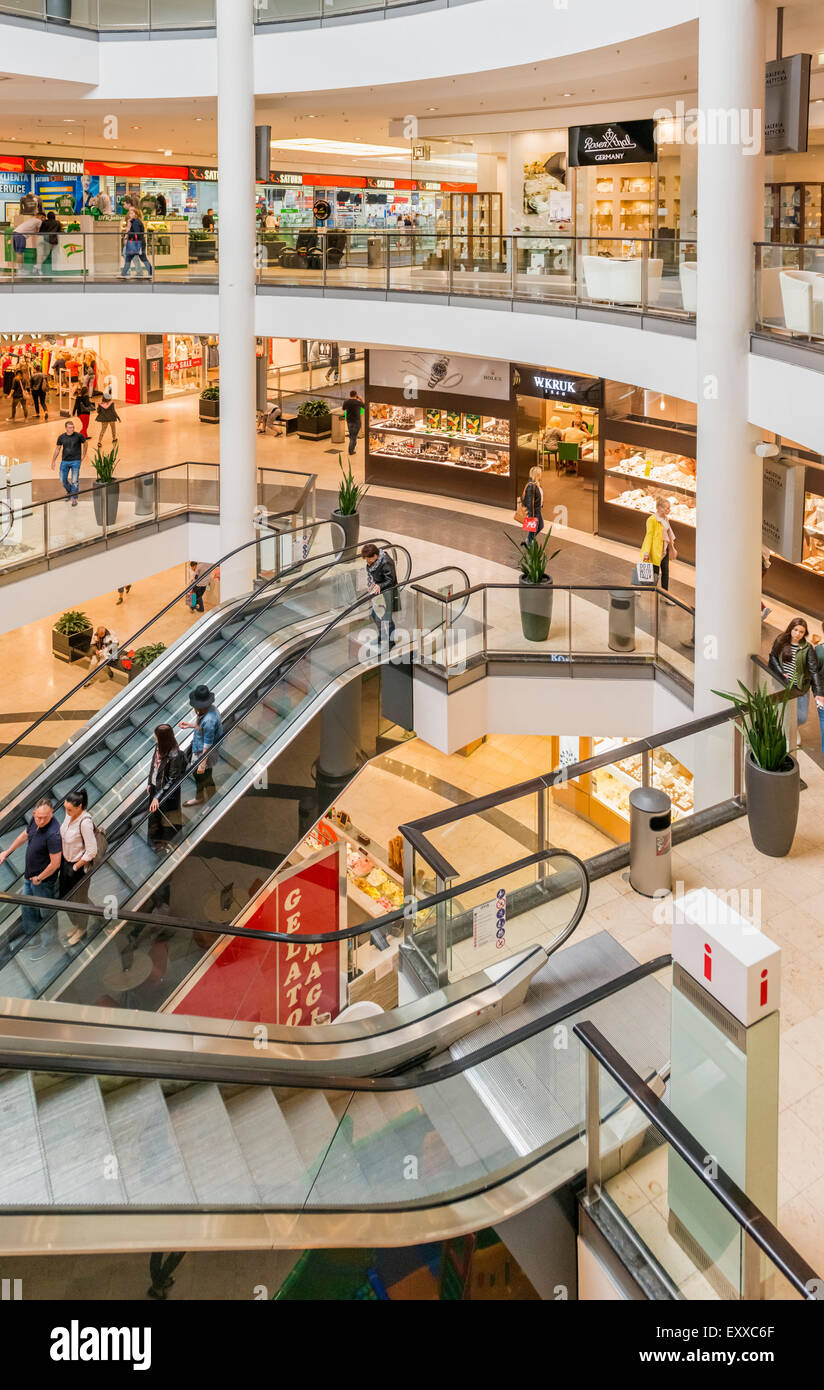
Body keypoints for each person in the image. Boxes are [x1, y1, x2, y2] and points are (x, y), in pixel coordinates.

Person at [0, 797, 62, 958]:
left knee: (46, 912)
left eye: (45, 817)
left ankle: (49, 943)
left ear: (52, 813)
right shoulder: (35, 822)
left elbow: (55, 864)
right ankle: (33, 937)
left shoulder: (54, 834)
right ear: (34, 813)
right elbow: (24, 835)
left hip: (43, 881)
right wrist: (6, 852)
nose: (41, 821)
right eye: (38, 817)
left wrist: (40, 878)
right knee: (26, 907)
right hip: (30, 876)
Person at [768, 618, 824, 737]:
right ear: (791, 629)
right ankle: (786, 732)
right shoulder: (781, 641)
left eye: (801, 632)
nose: (797, 634)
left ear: (805, 634)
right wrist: (781, 672)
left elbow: (814, 671)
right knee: (782, 711)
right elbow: (773, 656)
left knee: (802, 717)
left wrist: (818, 692)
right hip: (782, 684)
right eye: (795, 630)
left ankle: (793, 727)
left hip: (800, 686)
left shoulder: (807, 648)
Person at [59, 789, 98, 948]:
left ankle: (82, 929)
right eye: (65, 808)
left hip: (78, 868)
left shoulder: (85, 822)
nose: (66, 812)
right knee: (66, 898)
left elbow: (92, 851)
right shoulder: (69, 815)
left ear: (79, 806)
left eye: (69, 809)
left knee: (79, 900)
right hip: (66, 863)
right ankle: (76, 924)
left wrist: (75, 866)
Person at [146, 724, 188, 852]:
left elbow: (172, 780)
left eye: (156, 735)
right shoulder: (159, 746)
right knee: (154, 816)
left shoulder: (174, 755)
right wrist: (149, 782)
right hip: (155, 787)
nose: (154, 736)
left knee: (167, 817)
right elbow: (153, 767)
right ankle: (156, 840)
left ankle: (168, 842)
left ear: (162, 737)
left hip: (166, 793)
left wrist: (157, 797)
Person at [180, 685, 223, 806]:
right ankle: (203, 797)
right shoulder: (211, 709)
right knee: (202, 775)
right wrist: (190, 725)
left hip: (204, 752)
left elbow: (208, 743)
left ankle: (208, 801)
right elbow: (203, 728)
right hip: (200, 747)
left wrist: (202, 763)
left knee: (203, 777)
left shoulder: (209, 719)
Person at [361, 542, 400, 645]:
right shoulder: (374, 562)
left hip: (388, 592)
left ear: (375, 555)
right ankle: (382, 635)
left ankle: (391, 641)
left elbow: (390, 580)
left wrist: (380, 585)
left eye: (368, 559)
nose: (367, 561)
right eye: (365, 559)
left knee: (387, 618)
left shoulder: (386, 562)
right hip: (379, 593)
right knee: (375, 615)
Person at [640, 496, 677, 591]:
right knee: (653, 573)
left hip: (664, 550)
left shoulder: (666, 519)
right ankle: (640, 588)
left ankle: (665, 594)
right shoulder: (652, 520)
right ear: (659, 508)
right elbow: (649, 536)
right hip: (655, 551)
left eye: (669, 508)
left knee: (665, 572)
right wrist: (646, 552)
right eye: (667, 508)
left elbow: (668, 533)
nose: (669, 510)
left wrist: (671, 547)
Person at [50, 419, 89, 506]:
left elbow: (85, 444)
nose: (72, 429)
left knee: (75, 480)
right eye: (70, 428)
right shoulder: (61, 437)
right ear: (66, 428)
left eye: (73, 427)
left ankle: (74, 498)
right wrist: (53, 461)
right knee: (62, 479)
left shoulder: (79, 436)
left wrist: (83, 455)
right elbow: (57, 449)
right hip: (65, 461)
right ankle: (70, 492)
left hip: (76, 461)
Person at [121, 206, 153, 278]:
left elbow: (137, 233)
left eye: (132, 213)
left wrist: (128, 232)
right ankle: (123, 274)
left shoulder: (136, 222)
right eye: (130, 213)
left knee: (141, 258)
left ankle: (150, 272)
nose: (130, 215)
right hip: (136, 243)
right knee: (131, 258)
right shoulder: (134, 221)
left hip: (137, 244)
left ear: (136, 214)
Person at [12, 208, 41, 276]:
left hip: (15, 233)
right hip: (21, 235)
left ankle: (20, 269)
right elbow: (38, 231)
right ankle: (20, 271)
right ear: (41, 216)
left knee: (18, 253)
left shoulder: (31, 220)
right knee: (20, 253)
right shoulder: (39, 221)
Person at [521, 465, 545, 543]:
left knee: (540, 526)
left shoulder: (536, 484)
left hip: (538, 510)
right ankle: (529, 542)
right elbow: (530, 502)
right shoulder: (531, 486)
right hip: (534, 512)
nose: (541, 475)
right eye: (540, 473)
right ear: (537, 474)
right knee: (535, 528)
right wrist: (531, 517)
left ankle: (528, 540)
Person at [35, 209, 62, 275]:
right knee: (46, 254)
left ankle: (38, 268)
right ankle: (37, 266)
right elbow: (59, 232)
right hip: (48, 240)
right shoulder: (57, 222)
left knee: (39, 255)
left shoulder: (44, 222)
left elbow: (40, 231)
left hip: (41, 238)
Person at [342, 389, 365, 456]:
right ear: (356, 395)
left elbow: (343, 408)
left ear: (350, 395)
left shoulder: (346, 402)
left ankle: (351, 448)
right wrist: (361, 399)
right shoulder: (358, 402)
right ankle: (351, 450)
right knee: (354, 437)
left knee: (352, 435)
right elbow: (365, 406)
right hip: (356, 421)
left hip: (349, 421)